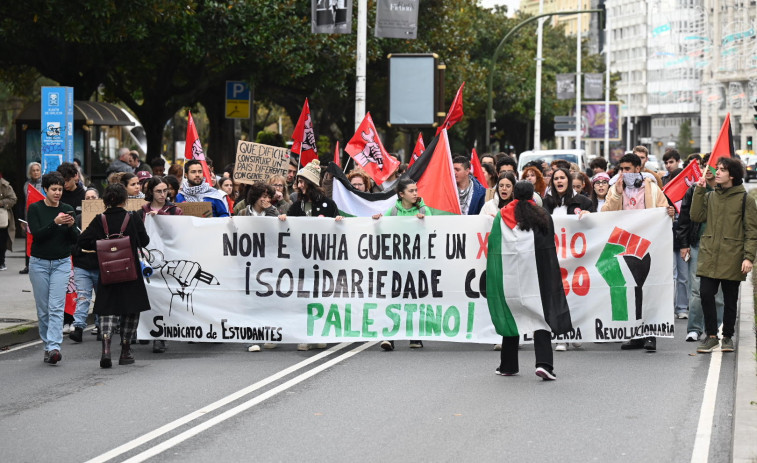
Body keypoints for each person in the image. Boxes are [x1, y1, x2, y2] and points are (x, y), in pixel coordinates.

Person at [489, 181, 572, 381]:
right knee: (540, 317)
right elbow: (549, 246)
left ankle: (508, 365)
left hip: (509, 277)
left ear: (514, 194)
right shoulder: (543, 215)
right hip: (535, 277)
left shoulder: (501, 215)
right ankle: (544, 364)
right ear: (533, 195)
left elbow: (493, 245)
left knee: (512, 316)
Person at [602, 152, 672, 352]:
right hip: (625, 245)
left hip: (647, 244)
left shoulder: (651, 188)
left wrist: (669, 212)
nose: (624, 173)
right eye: (621, 170)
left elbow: (664, 210)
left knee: (647, 288)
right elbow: (607, 213)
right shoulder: (616, 188)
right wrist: (615, 192)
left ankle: (650, 335)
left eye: (627, 169)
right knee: (632, 289)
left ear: (637, 169)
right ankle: (635, 334)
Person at [78, 184, 151, 368]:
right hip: (130, 272)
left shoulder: (99, 219)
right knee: (130, 310)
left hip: (107, 272)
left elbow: (83, 240)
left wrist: (103, 247)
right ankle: (125, 351)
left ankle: (106, 349)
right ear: (124, 199)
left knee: (107, 310)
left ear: (106, 200)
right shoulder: (133, 218)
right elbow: (145, 241)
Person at [691, 157, 757, 354]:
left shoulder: (746, 199)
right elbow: (696, 216)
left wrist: (748, 257)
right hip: (710, 254)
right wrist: (699, 190)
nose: (717, 172)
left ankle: (727, 336)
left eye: (722, 170)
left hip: (733, 255)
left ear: (733, 175)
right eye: (717, 169)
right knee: (705, 294)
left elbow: (752, 231)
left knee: (730, 298)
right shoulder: (710, 196)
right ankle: (711, 336)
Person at [278, 159, 341, 351]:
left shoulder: (329, 205)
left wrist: (338, 221)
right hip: (300, 261)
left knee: (320, 297)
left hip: (321, 261)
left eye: (302, 181)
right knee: (302, 298)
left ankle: (319, 332)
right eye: (298, 181)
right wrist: (283, 220)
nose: (298, 185)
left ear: (311, 183)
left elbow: (336, 230)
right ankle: (304, 335)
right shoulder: (295, 207)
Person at [27, 171, 80, 365]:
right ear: (45, 190)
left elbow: (74, 240)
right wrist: (55, 223)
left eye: (60, 189)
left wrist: (71, 226)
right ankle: (47, 345)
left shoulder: (67, 208)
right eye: (54, 189)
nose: (57, 193)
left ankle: (54, 347)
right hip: (39, 263)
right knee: (43, 310)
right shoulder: (35, 208)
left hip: (62, 263)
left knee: (56, 307)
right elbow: (38, 235)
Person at [372, 178, 430, 350]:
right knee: (394, 299)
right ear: (401, 194)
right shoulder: (393, 211)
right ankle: (390, 336)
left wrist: (424, 221)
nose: (415, 193)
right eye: (411, 191)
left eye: (416, 190)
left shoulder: (423, 209)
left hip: (417, 263)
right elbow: (383, 232)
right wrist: (377, 222)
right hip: (396, 264)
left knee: (414, 298)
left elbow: (434, 230)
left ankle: (415, 336)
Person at [677, 155, 724, 342]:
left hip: (720, 248)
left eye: (718, 168)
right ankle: (694, 328)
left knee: (718, 293)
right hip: (697, 245)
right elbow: (685, 219)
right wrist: (684, 244)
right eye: (709, 166)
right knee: (696, 290)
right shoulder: (694, 189)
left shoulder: (724, 192)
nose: (713, 171)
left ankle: (715, 327)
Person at [69, 187, 101, 343]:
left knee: (101, 297)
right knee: (83, 297)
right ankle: (79, 328)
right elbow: (71, 241)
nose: (90, 200)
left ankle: (101, 326)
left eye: (93, 197)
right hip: (82, 264)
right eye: (87, 198)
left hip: (100, 264)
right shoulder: (78, 219)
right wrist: (78, 250)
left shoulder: (103, 219)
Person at [20, 162, 43, 274]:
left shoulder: (44, 184)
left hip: (40, 216)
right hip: (28, 216)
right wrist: (22, 220)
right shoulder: (26, 184)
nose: (35, 172)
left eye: (37, 170)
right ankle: (27, 265)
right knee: (28, 242)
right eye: (33, 170)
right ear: (30, 172)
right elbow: (23, 202)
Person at [0, 174, 17, 271]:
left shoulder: (5, 185)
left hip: (1, 218)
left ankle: (1, 261)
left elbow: (13, 199)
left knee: (2, 241)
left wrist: (1, 203)